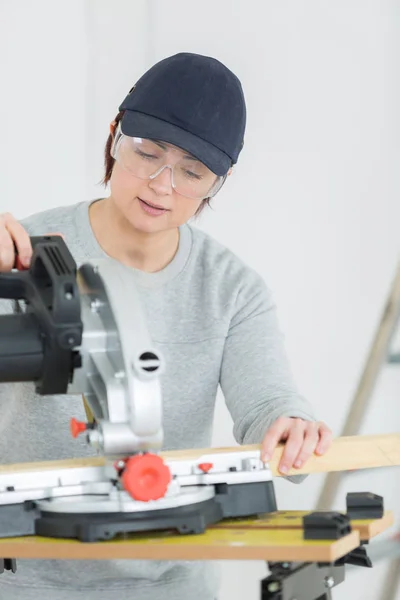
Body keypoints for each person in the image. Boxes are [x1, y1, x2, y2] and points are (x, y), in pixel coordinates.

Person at [0, 52, 333, 600]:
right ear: (113, 137)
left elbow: (266, 405)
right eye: (146, 154)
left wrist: (290, 425)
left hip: (170, 580)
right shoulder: (23, 254)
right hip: (25, 575)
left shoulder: (231, 288)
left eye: (191, 172)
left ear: (217, 183)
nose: (161, 184)